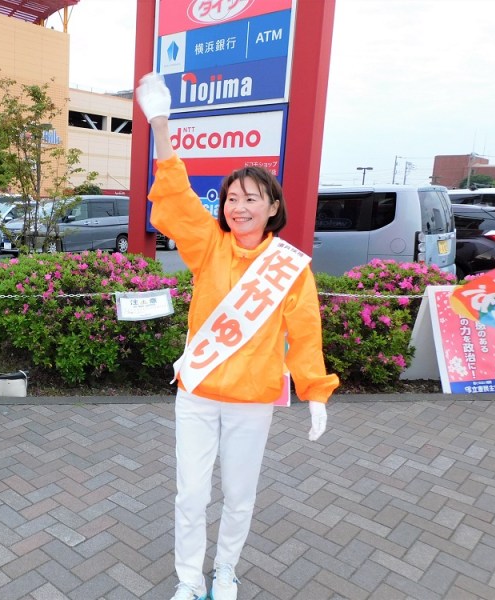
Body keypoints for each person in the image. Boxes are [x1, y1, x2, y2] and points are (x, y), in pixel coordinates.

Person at [136, 73, 339, 600]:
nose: (239, 206)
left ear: (273, 207)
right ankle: (187, 580)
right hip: (198, 393)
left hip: (252, 399)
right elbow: (177, 197)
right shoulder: (209, 245)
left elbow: (305, 331)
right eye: (231, 198)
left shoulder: (289, 267)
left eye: (251, 198)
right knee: (191, 494)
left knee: (239, 495)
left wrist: (315, 391)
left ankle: (225, 571)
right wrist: (161, 123)